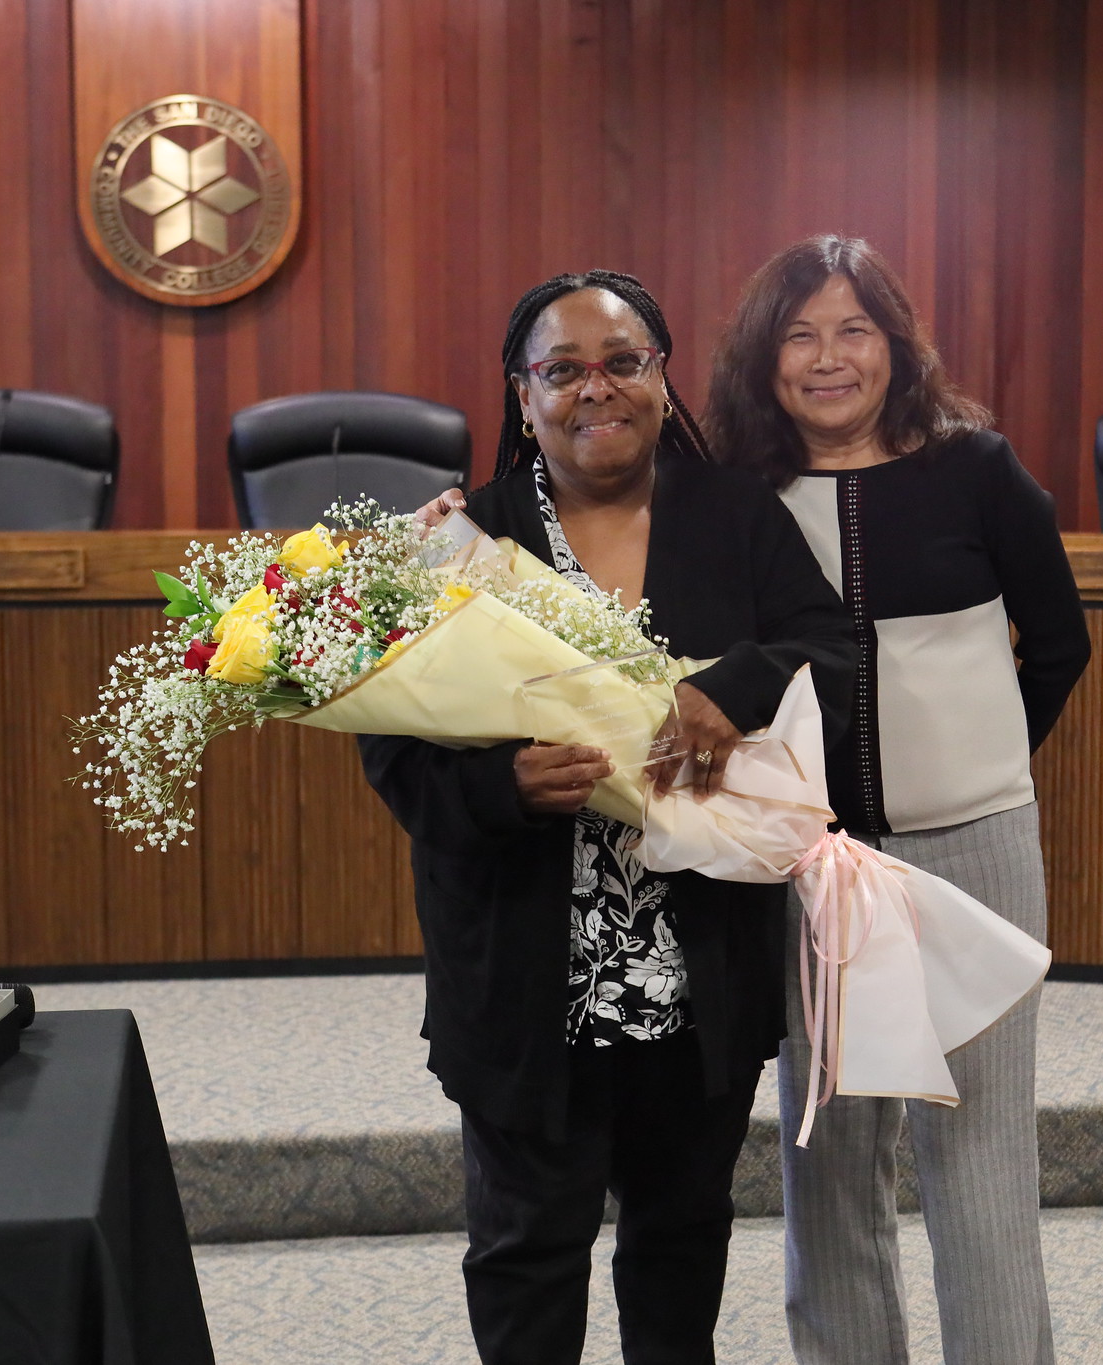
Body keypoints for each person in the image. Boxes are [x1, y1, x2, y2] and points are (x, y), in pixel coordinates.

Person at [362, 269, 855, 1365]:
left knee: (680, 1239)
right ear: (521, 391)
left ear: (660, 377)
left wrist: (735, 686)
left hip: (702, 970)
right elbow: (389, 750)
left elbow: (833, 651)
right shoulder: (458, 542)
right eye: (564, 369)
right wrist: (500, 788)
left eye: (623, 363)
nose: (598, 389)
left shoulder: (730, 514)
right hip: (528, 975)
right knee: (528, 1245)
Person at [703, 235, 1092, 1365]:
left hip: (972, 851)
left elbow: (1057, 646)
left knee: (979, 1159)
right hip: (810, 870)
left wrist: (976, 770)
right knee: (826, 1163)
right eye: (798, 335)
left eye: (853, 330)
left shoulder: (975, 469)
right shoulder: (735, 496)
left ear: (894, 345)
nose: (828, 359)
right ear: (762, 360)